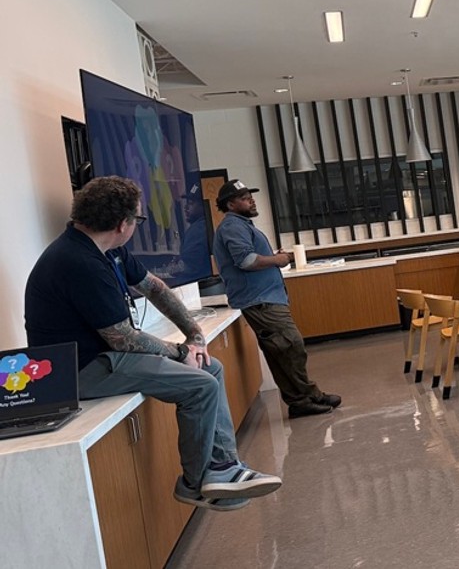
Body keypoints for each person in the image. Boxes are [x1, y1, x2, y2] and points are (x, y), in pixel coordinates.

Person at [25, 176, 282, 511]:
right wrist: (181, 351)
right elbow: (123, 338)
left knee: (209, 366)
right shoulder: (79, 262)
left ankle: (220, 466)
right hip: (80, 369)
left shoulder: (107, 249)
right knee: (200, 386)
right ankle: (194, 483)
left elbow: (155, 288)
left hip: (105, 355)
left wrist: (195, 336)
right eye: (139, 218)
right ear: (123, 223)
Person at [213, 179, 341, 419]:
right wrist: (277, 261)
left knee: (283, 350)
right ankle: (304, 398)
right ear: (230, 204)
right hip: (260, 301)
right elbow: (246, 261)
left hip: (266, 298)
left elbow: (250, 257)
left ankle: (306, 397)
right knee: (291, 346)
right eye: (244, 197)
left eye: (250, 195)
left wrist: (271, 257)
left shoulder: (241, 225)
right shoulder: (232, 226)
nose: (251, 199)